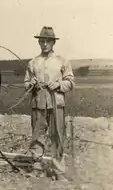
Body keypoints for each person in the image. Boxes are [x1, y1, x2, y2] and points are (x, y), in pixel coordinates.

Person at [23, 26, 75, 180]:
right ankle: (37, 167)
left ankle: (59, 170)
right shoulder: (33, 62)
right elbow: (26, 84)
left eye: (47, 41)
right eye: (41, 41)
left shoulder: (62, 61)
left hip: (56, 104)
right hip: (38, 103)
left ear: (53, 42)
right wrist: (31, 83)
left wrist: (58, 85)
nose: (44, 44)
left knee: (57, 136)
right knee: (37, 135)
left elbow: (70, 82)